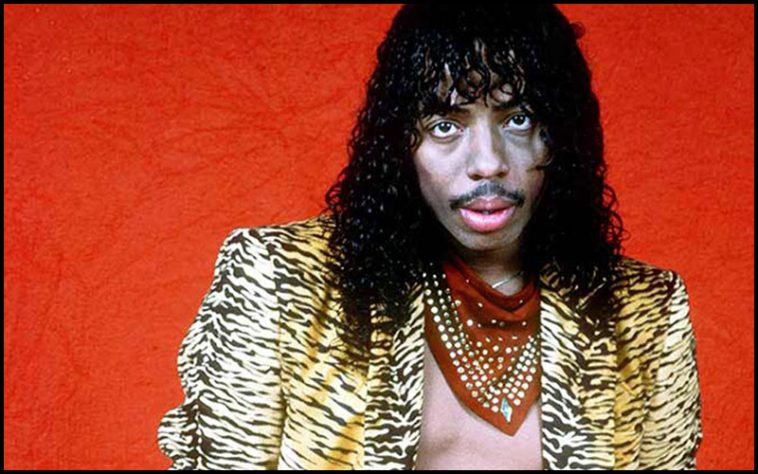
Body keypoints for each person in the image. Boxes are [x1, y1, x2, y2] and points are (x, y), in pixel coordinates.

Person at [157, 4, 703, 470]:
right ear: (401, 143)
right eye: (446, 125)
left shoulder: (644, 312)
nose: (487, 163)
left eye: (518, 119)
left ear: (560, 137)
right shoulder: (281, 281)